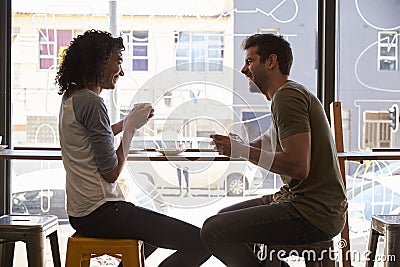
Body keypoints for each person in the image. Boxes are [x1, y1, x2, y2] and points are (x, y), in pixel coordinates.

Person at [56, 29, 211, 267]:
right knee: (200, 241)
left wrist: (126, 122)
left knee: (153, 233)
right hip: (103, 211)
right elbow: (111, 173)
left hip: (81, 213)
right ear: (100, 60)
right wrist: (130, 129)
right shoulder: (92, 102)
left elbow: (93, 139)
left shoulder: (71, 97)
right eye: (118, 61)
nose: (122, 71)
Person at [201, 33, 348, 266]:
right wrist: (239, 145)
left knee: (214, 230)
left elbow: (298, 166)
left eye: (250, 61)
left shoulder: (286, 98)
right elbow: (266, 144)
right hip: (298, 201)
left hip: (313, 212)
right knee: (220, 220)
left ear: (271, 62)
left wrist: (240, 150)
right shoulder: (286, 96)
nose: (243, 70)